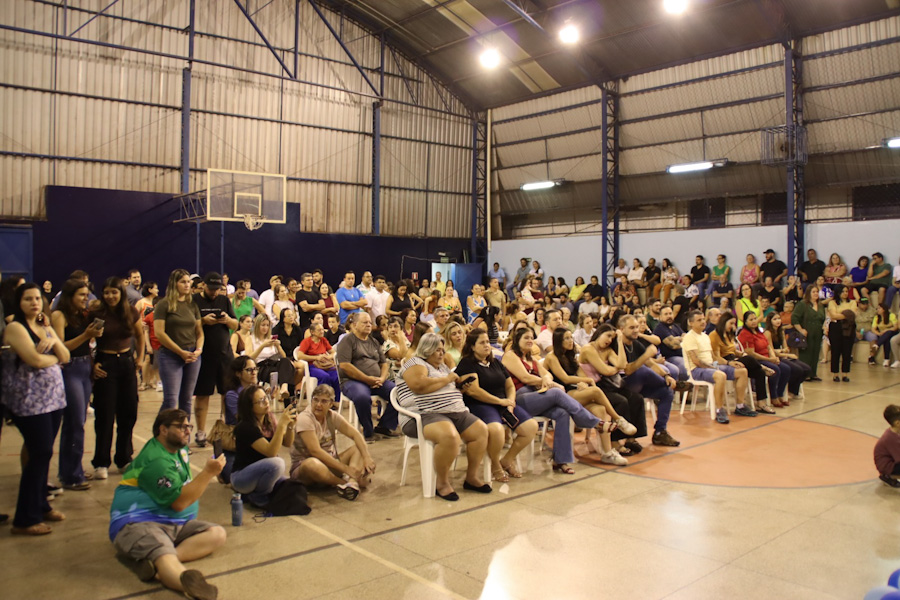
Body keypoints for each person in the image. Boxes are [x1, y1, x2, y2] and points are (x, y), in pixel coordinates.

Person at [109, 409, 226, 598]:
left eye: (189, 426)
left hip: (174, 523)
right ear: (163, 430)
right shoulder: (157, 460)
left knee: (217, 534)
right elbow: (179, 503)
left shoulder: (179, 449)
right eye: (181, 427)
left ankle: (153, 565)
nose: (187, 431)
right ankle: (184, 582)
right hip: (140, 522)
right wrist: (208, 473)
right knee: (163, 554)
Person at [2, 283, 70, 535]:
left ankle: (41, 505)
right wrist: (54, 357)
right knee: (39, 452)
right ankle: (25, 519)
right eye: (28, 299)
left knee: (43, 453)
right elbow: (35, 360)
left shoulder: (43, 325)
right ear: (18, 303)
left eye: (37, 299)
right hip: (29, 402)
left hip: (53, 400)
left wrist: (50, 337)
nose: (34, 303)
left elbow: (66, 355)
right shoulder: (15, 328)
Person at [394, 332, 490, 500]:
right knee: (450, 437)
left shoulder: (442, 367)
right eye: (437, 350)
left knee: (481, 431)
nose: (441, 353)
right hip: (423, 414)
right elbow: (419, 385)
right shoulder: (415, 363)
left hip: (454, 411)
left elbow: (443, 387)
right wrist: (447, 379)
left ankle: (471, 477)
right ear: (426, 349)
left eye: (442, 350)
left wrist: (459, 387)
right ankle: (442, 483)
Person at [501, 327, 605, 474]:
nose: (530, 340)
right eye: (526, 338)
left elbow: (547, 375)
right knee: (556, 392)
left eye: (531, 337)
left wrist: (546, 379)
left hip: (537, 395)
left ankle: (560, 461)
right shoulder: (510, 355)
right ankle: (592, 422)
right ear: (517, 340)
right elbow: (525, 378)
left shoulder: (532, 359)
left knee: (562, 413)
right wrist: (547, 382)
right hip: (520, 398)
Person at [543, 328, 638, 464]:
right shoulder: (551, 357)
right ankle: (618, 419)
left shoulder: (571, 356)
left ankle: (607, 453)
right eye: (567, 338)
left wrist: (583, 383)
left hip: (574, 392)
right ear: (558, 341)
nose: (571, 341)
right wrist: (586, 381)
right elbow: (565, 379)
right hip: (559, 394)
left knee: (600, 409)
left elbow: (581, 375)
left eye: (571, 337)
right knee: (596, 391)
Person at [51, 278, 104, 490]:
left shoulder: (82, 315)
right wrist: (86, 335)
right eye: (81, 295)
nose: (85, 298)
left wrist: (93, 335)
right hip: (69, 368)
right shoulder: (59, 315)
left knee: (79, 421)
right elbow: (61, 347)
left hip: (84, 368)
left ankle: (75, 469)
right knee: (74, 423)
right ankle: (70, 475)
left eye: (86, 295)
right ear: (69, 296)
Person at [89, 277, 145, 478]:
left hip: (127, 364)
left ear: (121, 293)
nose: (111, 296)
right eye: (107, 292)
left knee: (128, 412)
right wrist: (92, 364)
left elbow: (140, 336)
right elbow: (88, 340)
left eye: (114, 292)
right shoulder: (97, 313)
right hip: (106, 364)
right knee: (105, 415)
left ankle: (124, 458)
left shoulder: (131, 312)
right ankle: (101, 462)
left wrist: (140, 358)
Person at [289, 384, 374, 500]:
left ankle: (352, 482)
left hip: (329, 463)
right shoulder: (305, 418)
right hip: (305, 469)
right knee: (312, 464)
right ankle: (345, 482)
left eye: (324, 401)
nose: (318, 405)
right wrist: (346, 469)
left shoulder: (332, 416)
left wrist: (367, 457)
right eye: (316, 400)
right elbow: (315, 451)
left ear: (331, 404)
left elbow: (355, 434)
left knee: (358, 448)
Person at [615, 315, 681, 446]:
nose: (636, 330)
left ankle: (660, 432)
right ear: (621, 329)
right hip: (621, 385)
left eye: (637, 327)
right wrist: (646, 355)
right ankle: (676, 385)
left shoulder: (636, 344)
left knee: (667, 392)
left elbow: (650, 363)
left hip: (638, 385)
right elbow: (628, 370)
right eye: (632, 327)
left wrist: (666, 376)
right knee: (642, 371)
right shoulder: (617, 345)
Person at [682, 310, 754, 424]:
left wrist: (729, 363)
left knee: (742, 371)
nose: (703, 322)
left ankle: (740, 406)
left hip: (711, 366)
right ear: (690, 323)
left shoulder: (705, 336)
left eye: (703, 319)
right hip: (697, 370)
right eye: (699, 320)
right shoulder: (689, 337)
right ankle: (719, 409)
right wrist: (713, 368)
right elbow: (696, 361)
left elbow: (713, 357)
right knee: (720, 376)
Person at [336, 312, 400, 439]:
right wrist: (366, 379)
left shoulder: (374, 341)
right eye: (365, 322)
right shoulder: (347, 341)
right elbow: (345, 365)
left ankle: (384, 426)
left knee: (399, 393)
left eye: (370, 323)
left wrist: (382, 378)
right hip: (352, 381)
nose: (369, 325)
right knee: (362, 397)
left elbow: (384, 363)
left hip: (376, 381)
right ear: (355, 325)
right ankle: (368, 432)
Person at [191, 272, 237, 448]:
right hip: (204, 355)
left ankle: (228, 428)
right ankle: (201, 431)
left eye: (217, 289)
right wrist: (203, 321)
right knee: (203, 394)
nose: (214, 292)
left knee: (228, 393)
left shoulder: (224, 300)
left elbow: (235, 325)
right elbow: (189, 324)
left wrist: (227, 320)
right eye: (211, 289)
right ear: (204, 286)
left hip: (224, 354)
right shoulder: (195, 300)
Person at [231, 385, 297, 506]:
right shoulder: (245, 427)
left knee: (290, 485)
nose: (266, 402)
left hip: (262, 471)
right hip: (242, 477)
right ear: (250, 407)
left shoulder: (269, 418)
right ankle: (259, 496)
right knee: (277, 464)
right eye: (260, 401)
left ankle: (259, 492)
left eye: (266, 397)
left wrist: (290, 426)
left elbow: (287, 443)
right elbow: (271, 452)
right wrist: (281, 425)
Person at [155, 269, 204, 414]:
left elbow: (199, 332)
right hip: (170, 355)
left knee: (186, 399)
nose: (187, 285)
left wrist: (198, 350)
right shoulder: (164, 304)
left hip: (192, 355)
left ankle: (184, 428)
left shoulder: (192, 305)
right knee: (170, 400)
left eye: (188, 282)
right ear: (174, 283)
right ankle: (161, 428)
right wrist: (180, 352)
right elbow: (159, 333)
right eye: (183, 282)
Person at [710, 312, 777, 412]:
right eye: (731, 323)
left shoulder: (728, 334)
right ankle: (763, 367)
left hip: (734, 358)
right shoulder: (714, 335)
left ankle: (761, 403)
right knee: (750, 358)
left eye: (734, 323)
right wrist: (729, 363)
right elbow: (716, 357)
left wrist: (741, 354)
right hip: (725, 362)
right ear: (724, 322)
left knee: (759, 373)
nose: (733, 326)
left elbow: (732, 350)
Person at [738, 312, 791, 409]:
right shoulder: (745, 334)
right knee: (775, 370)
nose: (754, 321)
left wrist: (773, 357)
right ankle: (773, 397)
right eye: (751, 320)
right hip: (757, 360)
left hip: (767, 357)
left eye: (755, 318)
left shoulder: (759, 332)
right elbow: (751, 354)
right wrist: (769, 359)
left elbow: (768, 346)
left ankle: (780, 394)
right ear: (745, 322)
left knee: (786, 369)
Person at [242, 314, 295, 400]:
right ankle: (288, 398)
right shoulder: (250, 338)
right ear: (257, 325)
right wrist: (262, 346)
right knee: (287, 372)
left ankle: (284, 388)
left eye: (267, 325)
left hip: (274, 363)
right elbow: (248, 358)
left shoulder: (271, 338)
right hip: (261, 366)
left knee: (286, 362)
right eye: (263, 325)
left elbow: (284, 356)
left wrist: (278, 346)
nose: (265, 328)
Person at [765, 312, 811, 399]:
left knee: (807, 369)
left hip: (783, 355)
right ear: (770, 321)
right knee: (797, 370)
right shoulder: (768, 333)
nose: (778, 321)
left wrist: (785, 352)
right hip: (775, 357)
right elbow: (771, 351)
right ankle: (789, 391)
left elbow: (786, 348)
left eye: (779, 318)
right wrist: (786, 353)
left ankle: (793, 390)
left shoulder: (781, 331)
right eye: (775, 319)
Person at [296, 321, 341, 399]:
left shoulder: (323, 340)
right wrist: (316, 357)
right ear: (312, 332)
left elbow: (333, 352)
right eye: (319, 330)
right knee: (324, 376)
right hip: (312, 366)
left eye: (322, 329)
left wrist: (328, 357)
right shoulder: (307, 341)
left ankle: (336, 400)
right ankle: (323, 399)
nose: (322, 332)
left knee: (337, 376)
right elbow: (300, 356)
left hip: (324, 365)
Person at [792, 284, 826, 381]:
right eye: (813, 292)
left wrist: (824, 327)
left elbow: (823, 319)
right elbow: (794, 318)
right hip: (807, 331)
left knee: (815, 352)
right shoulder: (803, 304)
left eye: (817, 292)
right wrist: (801, 330)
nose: (815, 294)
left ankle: (813, 373)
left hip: (818, 331)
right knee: (806, 353)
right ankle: (804, 373)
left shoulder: (820, 305)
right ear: (809, 293)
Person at [826, 284, 857, 382]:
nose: (845, 293)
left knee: (847, 351)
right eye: (843, 291)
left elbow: (853, 314)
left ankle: (845, 374)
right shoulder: (832, 302)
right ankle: (835, 374)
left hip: (849, 327)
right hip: (836, 327)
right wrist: (847, 314)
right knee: (835, 351)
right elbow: (833, 316)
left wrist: (841, 314)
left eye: (846, 291)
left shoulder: (852, 302)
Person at [874, 405, 900, 488]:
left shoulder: (895, 432)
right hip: (887, 466)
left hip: (893, 460)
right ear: (897, 423)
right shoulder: (891, 438)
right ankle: (888, 476)